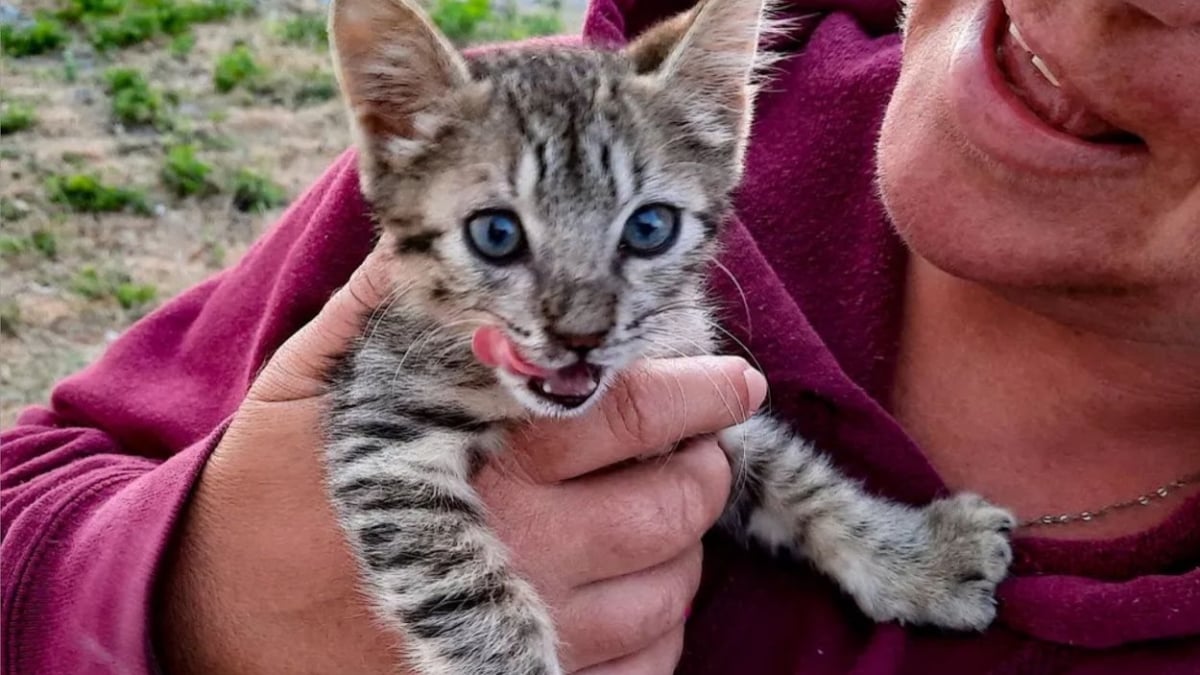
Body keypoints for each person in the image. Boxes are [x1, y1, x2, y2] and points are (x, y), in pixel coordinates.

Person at [3, 0, 1198, 672]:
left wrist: (873, 546)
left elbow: (731, 457)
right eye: (505, 240)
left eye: (648, 232)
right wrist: (199, 601)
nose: (581, 315)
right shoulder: (399, 276)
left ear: (712, 142)